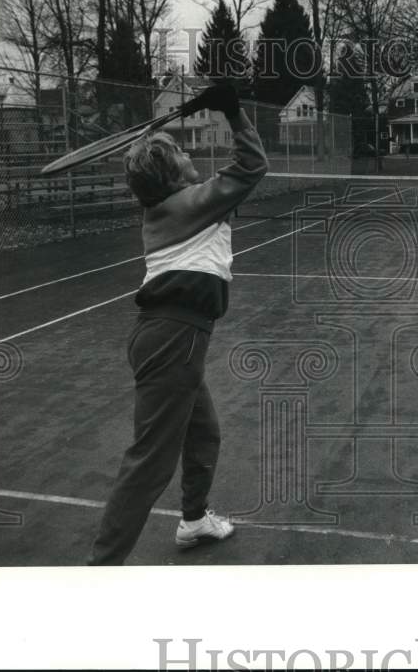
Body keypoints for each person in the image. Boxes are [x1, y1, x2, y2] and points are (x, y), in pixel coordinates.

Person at [87, 83, 268, 565]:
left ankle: (193, 520)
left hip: (168, 338)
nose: (190, 156)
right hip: (174, 340)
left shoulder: (173, 207)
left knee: (202, 432)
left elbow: (230, 194)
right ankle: (99, 572)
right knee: (149, 462)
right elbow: (251, 166)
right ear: (173, 174)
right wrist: (233, 113)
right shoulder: (189, 203)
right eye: (182, 153)